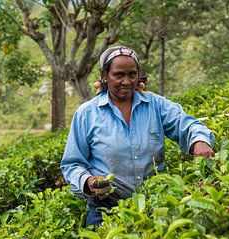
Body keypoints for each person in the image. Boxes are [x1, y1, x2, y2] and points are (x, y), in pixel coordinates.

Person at [61, 46, 215, 227]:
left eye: (132, 74)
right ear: (104, 76)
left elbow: (188, 125)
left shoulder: (155, 105)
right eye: (118, 75)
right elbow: (72, 164)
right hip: (106, 208)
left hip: (155, 202)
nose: (126, 81)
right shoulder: (86, 114)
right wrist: (88, 182)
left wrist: (199, 141)